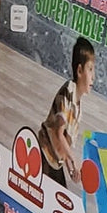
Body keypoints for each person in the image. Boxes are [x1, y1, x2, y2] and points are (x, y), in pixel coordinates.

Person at [37, 37, 96, 184]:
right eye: (90, 69)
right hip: (43, 153)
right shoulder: (68, 91)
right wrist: (73, 159)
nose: (93, 77)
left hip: (56, 162)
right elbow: (59, 132)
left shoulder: (78, 111)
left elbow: (65, 143)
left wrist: (71, 170)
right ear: (80, 70)